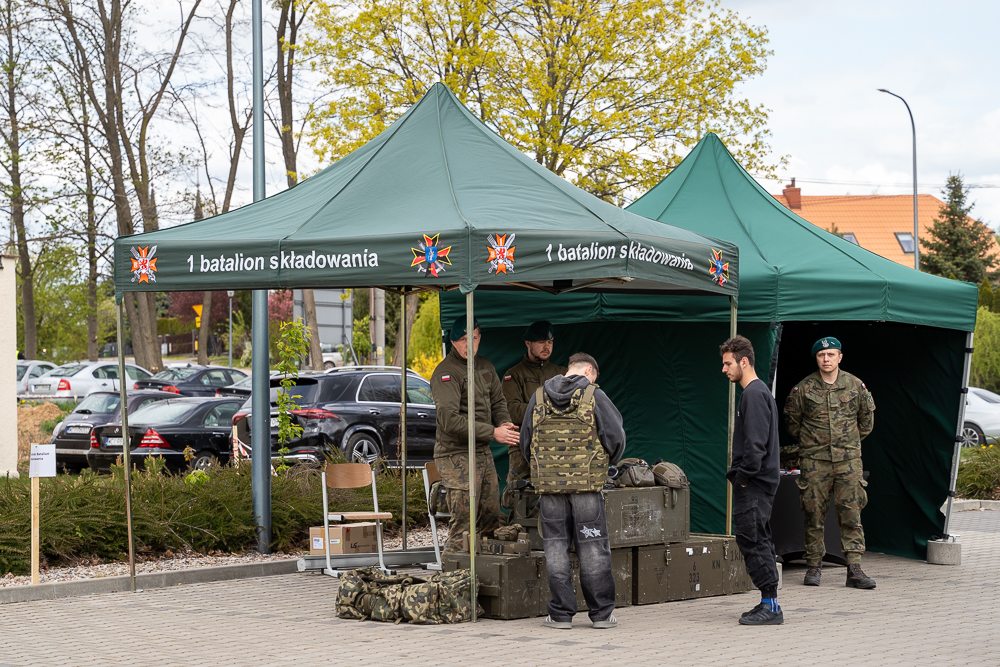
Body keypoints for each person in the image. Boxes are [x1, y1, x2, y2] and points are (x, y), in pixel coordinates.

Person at [519, 352, 626, 630]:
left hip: (549, 490)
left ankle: (560, 615)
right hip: (587, 488)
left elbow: (525, 441)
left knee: (555, 547)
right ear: (589, 371)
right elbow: (616, 437)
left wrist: (546, 470)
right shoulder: (594, 395)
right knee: (593, 548)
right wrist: (607, 464)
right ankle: (601, 615)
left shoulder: (538, 396)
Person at [784, 336, 876, 589]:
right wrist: (816, 443)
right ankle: (814, 566)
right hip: (815, 461)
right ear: (816, 358)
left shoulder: (855, 385)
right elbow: (793, 424)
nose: (826, 359)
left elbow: (866, 422)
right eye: (821, 355)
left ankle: (854, 568)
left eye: (831, 354)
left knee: (851, 513)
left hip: (848, 461)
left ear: (840, 357)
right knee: (813, 514)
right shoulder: (803, 389)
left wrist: (847, 443)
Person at [430, 315, 520, 552]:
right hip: (455, 454)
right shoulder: (446, 373)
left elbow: (498, 401)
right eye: (463, 340)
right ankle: (453, 571)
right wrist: (493, 432)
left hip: (481, 452)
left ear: (480, 338)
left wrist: (504, 422)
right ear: (453, 342)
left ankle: (484, 569)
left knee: (491, 519)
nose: (469, 344)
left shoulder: (485, 366)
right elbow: (449, 420)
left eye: (474, 338)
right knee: (464, 523)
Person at [720, 335, 783, 626]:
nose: (724, 369)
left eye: (728, 363)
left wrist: (743, 478)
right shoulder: (757, 393)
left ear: (744, 361)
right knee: (758, 539)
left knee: (752, 539)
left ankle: (771, 607)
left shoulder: (754, 394)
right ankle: (768, 602)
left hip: (754, 483)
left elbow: (756, 445)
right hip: (757, 482)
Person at [502, 321, 567, 492]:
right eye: (541, 342)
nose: (546, 347)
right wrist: (547, 408)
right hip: (523, 448)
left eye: (550, 342)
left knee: (557, 494)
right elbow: (511, 411)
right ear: (528, 343)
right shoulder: (514, 375)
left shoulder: (562, 374)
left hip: (557, 445)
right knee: (521, 495)